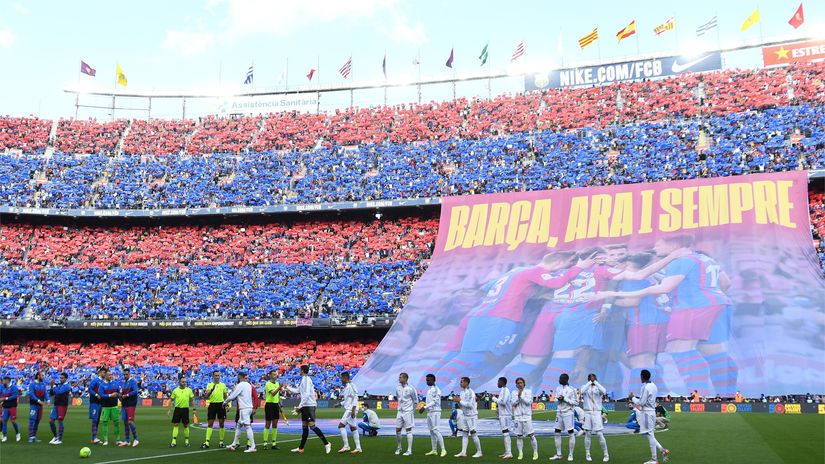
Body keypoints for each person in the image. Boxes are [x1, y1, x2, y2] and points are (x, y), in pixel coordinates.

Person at [285, 364, 331, 454]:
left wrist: (299, 406)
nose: (299, 370)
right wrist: (287, 387)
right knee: (305, 427)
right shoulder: (304, 379)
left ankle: (326, 443)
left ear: (302, 371)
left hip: (309, 405)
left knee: (312, 426)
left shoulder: (306, 379)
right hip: (305, 405)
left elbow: (306, 394)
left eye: (300, 369)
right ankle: (301, 448)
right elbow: (298, 390)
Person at [629, 369, 670, 464]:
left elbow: (641, 402)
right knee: (649, 434)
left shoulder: (645, 387)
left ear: (642, 377)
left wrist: (632, 398)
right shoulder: (653, 386)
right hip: (651, 412)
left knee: (649, 434)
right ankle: (662, 451)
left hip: (646, 413)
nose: (640, 378)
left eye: (640, 376)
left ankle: (654, 459)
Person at [223, 372, 256, 453]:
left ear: (239, 377)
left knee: (248, 426)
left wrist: (225, 402)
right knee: (238, 425)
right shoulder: (249, 385)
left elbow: (233, 396)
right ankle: (234, 443)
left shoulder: (240, 385)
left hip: (244, 408)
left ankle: (253, 446)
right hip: (247, 408)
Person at [581, 373, 609, 462]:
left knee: (600, 434)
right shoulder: (585, 386)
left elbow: (604, 391)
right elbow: (581, 391)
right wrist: (590, 382)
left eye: (594, 378)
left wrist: (595, 382)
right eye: (591, 378)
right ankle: (587, 453)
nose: (592, 379)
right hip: (587, 413)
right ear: (588, 379)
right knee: (588, 434)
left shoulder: (598, 386)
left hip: (597, 413)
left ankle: (606, 454)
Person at [550, 373, 578, 461]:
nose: (559, 380)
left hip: (568, 413)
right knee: (557, 432)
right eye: (559, 378)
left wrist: (564, 399)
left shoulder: (572, 389)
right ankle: (559, 454)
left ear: (566, 379)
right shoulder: (558, 388)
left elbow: (576, 402)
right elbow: (555, 400)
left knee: (570, 432)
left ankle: (571, 454)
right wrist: (558, 399)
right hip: (559, 413)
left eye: (561, 378)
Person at [454, 376, 482, 458]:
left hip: (472, 415)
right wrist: (457, 402)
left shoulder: (471, 392)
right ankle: (463, 452)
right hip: (465, 415)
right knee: (464, 433)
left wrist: (460, 401)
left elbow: (469, 405)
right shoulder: (462, 393)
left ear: (466, 383)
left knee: (473, 433)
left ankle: (479, 452)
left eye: (462, 381)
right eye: (460, 381)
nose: (460, 383)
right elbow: (462, 406)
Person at [419, 373, 446, 457]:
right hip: (430, 412)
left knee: (436, 430)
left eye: (428, 380)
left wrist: (424, 407)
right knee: (431, 431)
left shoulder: (437, 390)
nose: (427, 381)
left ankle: (443, 450)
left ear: (434, 380)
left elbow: (435, 401)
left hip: (435, 412)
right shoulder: (430, 389)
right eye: (426, 380)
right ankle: (434, 450)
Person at [335, 371, 362, 454]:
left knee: (341, 426)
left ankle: (347, 446)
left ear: (345, 378)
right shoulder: (347, 387)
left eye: (341, 378)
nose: (341, 380)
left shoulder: (351, 386)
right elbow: (347, 400)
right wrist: (339, 404)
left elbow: (355, 398)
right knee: (353, 428)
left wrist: (353, 410)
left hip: (351, 410)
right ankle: (357, 448)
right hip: (350, 409)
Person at [513, 377, 538, 461]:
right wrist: (518, 397)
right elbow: (513, 403)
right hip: (518, 417)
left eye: (521, 383)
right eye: (518, 383)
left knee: (531, 435)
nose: (520, 384)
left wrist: (521, 397)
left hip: (527, 416)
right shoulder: (514, 392)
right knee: (519, 436)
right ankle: (520, 453)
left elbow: (529, 402)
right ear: (516, 384)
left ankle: (535, 452)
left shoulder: (528, 391)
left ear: (524, 383)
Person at [263, 369, 288, 450]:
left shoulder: (277, 383)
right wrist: (280, 387)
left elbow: (277, 396)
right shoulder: (268, 384)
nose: (275, 376)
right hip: (269, 405)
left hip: (275, 405)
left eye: (276, 374)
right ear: (270, 375)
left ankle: (274, 443)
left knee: (275, 424)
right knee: (267, 424)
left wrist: (281, 405)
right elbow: (273, 393)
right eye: (274, 374)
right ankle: (265, 443)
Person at [202, 370, 228, 449]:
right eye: (216, 375)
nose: (217, 377)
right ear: (213, 376)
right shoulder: (209, 385)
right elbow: (206, 396)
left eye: (218, 375)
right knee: (210, 424)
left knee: (222, 424)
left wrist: (226, 405)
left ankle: (221, 442)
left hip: (221, 405)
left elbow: (225, 396)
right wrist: (211, 390)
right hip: (212, 405)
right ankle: (207, 442)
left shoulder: (223, 385)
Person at [394, 372, 418, 456]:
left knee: (409, 430)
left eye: (401, 377)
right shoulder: (397, 388)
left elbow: (415, 401)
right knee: (397, 430)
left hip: (408, 412)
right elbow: (398, 398)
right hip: (400, 411)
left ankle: (409, 450)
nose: (399, 379)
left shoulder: (411, 388)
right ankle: (399, 447)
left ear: (406, 379)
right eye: (399, 377)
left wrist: (412, 411)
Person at [168, 376, 195, 448]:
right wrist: (169, 409)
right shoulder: (175, 390)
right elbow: (171, 399)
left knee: (186, 425)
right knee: (176, 424)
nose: (184, 383)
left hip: (185, 409)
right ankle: (173, 441)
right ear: (179, 382)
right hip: (177, 409)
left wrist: (194, 409)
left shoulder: (189, 390)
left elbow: (192, 399)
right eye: (183, 382)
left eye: (185, 381)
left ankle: (187, 441)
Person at [491, 376, 513, 459]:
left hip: (506, 415)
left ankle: (509, 453)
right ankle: (507, 452)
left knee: (506, 433)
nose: (497, 383)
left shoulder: (505, 390)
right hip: (503, 414)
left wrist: (494, 398)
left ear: (502, 382)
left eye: (498, 382)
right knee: (505, 433)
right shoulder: (503, 390)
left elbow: (503, 402)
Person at [99, 369, 122, 446]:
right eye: (109, 375)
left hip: (114, 406)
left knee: (116, 422)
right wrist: (110, 395)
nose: (111, 376)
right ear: (105, 376)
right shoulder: (102, 385)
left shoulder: (115, 383)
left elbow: (119, 394)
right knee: (105, 423)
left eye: (111, 375)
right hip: (105, 407)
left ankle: (118, 440)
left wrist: (120, 398)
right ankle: (105, 440)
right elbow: (101, 395)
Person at [48, 372, 70, 445]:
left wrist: (54, 386)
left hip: (62, 405)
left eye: (62, 378)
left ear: (66, 379)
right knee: (51, 421)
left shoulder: (67, 386)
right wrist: (51, 386)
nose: (60, 379)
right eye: (60, 378)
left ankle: (60, 439)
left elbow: (59, 392)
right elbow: (51, 393)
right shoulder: (59, 385)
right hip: (56, 405)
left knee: (60, 421)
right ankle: (55, 436)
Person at [120, 368, 139, 447]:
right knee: (125, 422)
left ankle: (136, 439)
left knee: (130, 421)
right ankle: (127, 440)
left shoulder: (133, 382)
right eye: (124, 374)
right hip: (124, 404)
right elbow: (122, 394)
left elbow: (135, 391)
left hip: (131, 404)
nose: (125, 376)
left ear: (129, 374)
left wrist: (127, 395)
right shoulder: (124, 383)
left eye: (126, 374)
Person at [27, 370, 47, 443]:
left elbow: (45, 393)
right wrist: (38, 401)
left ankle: (34, 436)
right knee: (32, 420)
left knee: (37, 421)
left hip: (40, 405)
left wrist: (47, 400)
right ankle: (30, 437)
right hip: (34, 405)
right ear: (38, 376)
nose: (43, 376)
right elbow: (32, 395)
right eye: (42, 375)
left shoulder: (43, 384)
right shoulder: (32, 384)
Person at [0, 376, 21, 442]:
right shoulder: (2, 387)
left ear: (7, 380)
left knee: (13, 421)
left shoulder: (14, 387)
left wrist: (5, 398)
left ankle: (17, 433)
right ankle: (5, 436)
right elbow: (1, 394)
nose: (3, 381)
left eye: (4, 380)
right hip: (5, 407)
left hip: (12, 406)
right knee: (4, 421)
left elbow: (15, 396)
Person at [87, 367, 105, 444]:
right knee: (94, 420)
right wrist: (96, 394)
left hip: (100, 403)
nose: (104, 374)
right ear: (100, 373)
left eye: (105, 372)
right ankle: (93, 438)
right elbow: (89, 389)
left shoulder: (104, 382)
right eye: (103, 372)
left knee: (97, 420)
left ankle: (94, 437)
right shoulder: (95, 380)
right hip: (94, 402)